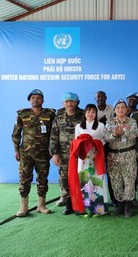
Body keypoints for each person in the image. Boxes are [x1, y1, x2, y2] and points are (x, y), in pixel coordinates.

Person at [12, 89, 56, 217]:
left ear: (43, 100)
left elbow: (54, 133)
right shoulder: (22, 114)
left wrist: (53, 151)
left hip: (43, 153)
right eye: (33, 98)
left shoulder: (50, 114)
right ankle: (23, 206)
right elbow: (16, 134)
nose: (35, 100)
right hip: (26, 154)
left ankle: (41, 205)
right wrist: (16, 150)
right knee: (24, 179)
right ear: (30, 100)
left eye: (38, 98)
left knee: (42, 179)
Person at [70, 104, 109, 216]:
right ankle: (84, 209)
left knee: (97, 179)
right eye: (88, 111)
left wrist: (95, 144)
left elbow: (104, 139)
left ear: (96, 114)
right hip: (83, 159)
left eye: (93, 112)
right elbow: (76, 141)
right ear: (85, 113)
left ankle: (99, 209)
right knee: (84, 179)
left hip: (96, 156)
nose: (90, 114)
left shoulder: (101, 126)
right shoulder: (78, 126)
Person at [49, 92, 84, 214]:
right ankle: (68, 202)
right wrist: (54, 153)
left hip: (80, 154)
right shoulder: (58, 117)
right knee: (64, 179)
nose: (69, 104)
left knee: (80, 178)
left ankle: (80, 201)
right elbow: (54, 136)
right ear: (63, 103)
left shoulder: (83, 115)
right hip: (63, 154)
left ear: (76, 102)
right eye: (67, 101)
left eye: (72, 101)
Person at [104, 99, 138, 218]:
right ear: (114, 110)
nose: (120, 110)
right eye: (118, 108)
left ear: (127, 109)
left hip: (128, 154)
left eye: (123, 107)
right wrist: (114, 134)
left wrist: (123, 132)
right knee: (116, 182)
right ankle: (120, 204)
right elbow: (105, 137)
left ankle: (128, 205)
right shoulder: (109, 122)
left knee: (129, 181)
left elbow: (135, 134)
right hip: (113, 156)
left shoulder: (132, 121)